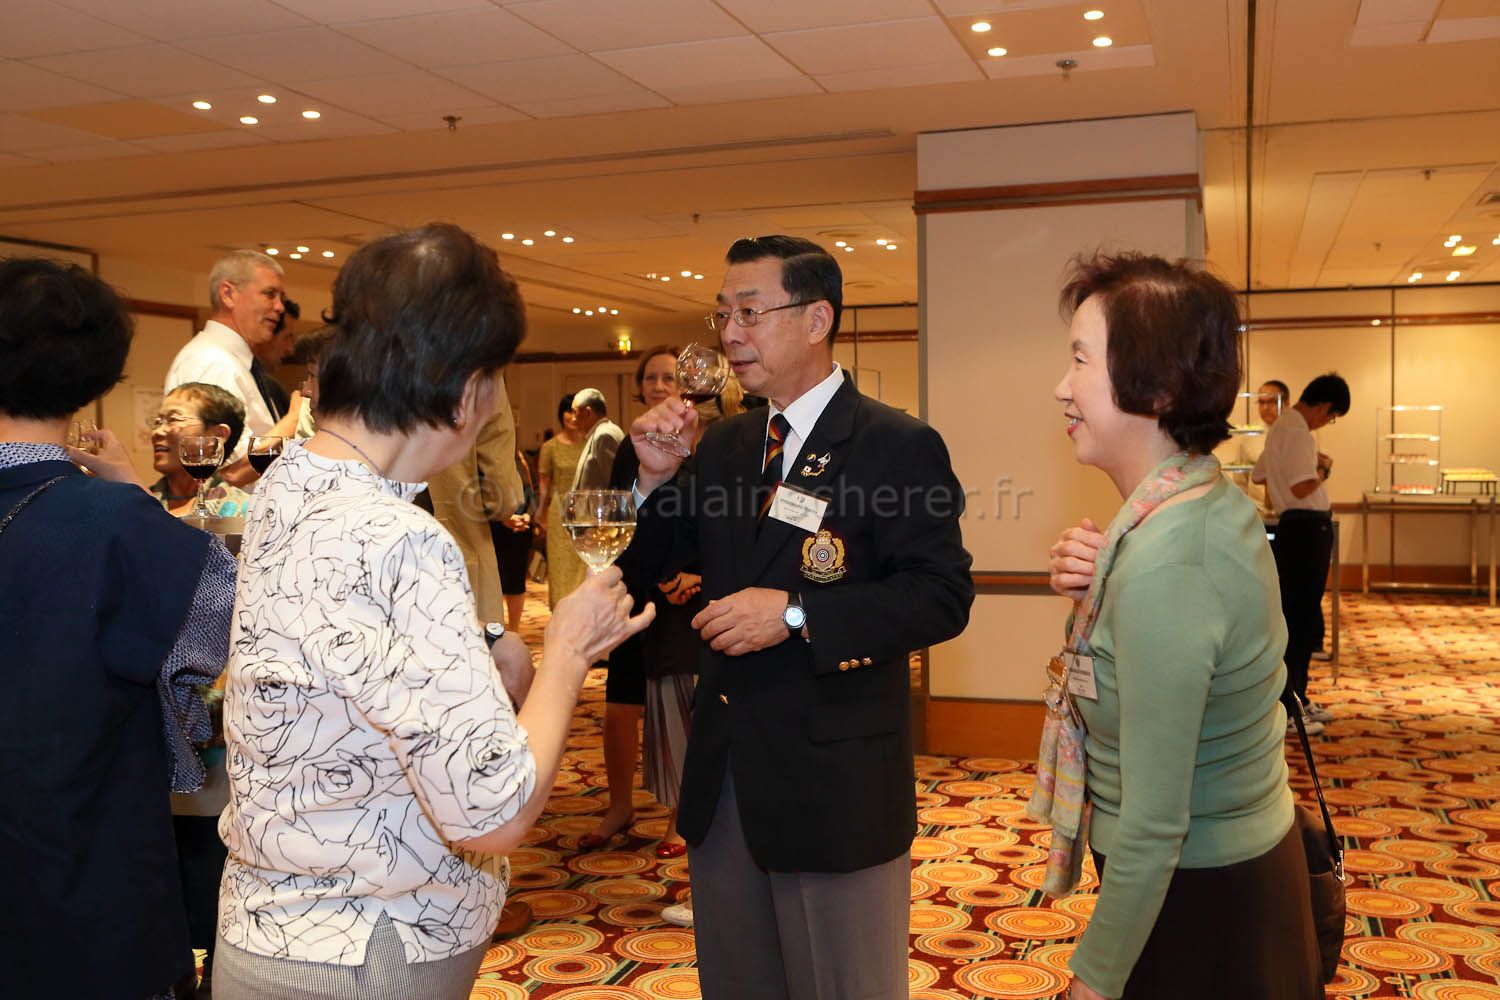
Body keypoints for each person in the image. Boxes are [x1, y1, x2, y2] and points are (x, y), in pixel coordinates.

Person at [213, 223, 653, 999]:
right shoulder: (399, 537)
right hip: (369, 946)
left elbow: (334, 637)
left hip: (272, 922)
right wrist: (567, 652)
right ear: (465, 389)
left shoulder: (290, 479)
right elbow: (493, 813)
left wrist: (478, 640)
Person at [626, 235, 973, 999]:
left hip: (833, 785)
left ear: (817, 320)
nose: (730, 333)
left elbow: (941, 596)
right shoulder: (725, 446)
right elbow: (648, 571)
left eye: (750, 312)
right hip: (725, 782)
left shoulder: (895, 445)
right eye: (722, 314)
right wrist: (652, 482)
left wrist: (793, 614)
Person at [1046, 252, 1321, 1000]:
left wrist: (1095, 979)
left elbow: (1154, 822)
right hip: (1234, 866)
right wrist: (1107, 583)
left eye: (1081, 360)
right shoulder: (1197, 502)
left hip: (1199, 898)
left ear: (1159, 387)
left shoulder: (1169, 560)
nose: (1061, 386)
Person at [0, 257, 236, 998]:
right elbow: (213, 642)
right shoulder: (120, 523)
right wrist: (135, 493)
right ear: (95, 374)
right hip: (84, 863)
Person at [584, 347, 680, 852]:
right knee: (620, 703)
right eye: (651, 378)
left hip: (684, 590)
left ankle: (679, 814)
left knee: (677, 706)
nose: (659, 385)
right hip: (635, 581)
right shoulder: (628, 445)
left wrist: (695, 572)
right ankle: (619, 805)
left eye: (669, 377)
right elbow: (618, 512)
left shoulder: (703, 441)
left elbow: (709, 518)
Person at [1253, 373, 1350, 735]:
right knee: (1300, 618)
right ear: (1323, 407)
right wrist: (1323, 469)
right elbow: (1302, 486)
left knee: (1297, 615)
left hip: (1296, 528)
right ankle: (1291, 704)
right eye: (1332, 416)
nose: (1327, 422)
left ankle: (1298, 696)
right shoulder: (1298, 432)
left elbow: (1259, 475)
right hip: (1307, 528)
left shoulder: (1281, 428)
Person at [163, 249, 286, 483]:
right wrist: (295, 419)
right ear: (228, 294)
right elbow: (231, 470)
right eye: (270, 294)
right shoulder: (212, 361)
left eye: (281, 298)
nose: (280, 307)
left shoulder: (233, 361)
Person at [148, 381, 251, 518]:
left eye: (173, 419)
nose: (157, 432)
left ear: (218, 435)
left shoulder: (243, 512)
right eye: (158, 422)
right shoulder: (138, 506)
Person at [536, 392, 587, 607]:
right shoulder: (550, 447)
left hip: (585, 512)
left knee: (583, 565)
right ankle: (560, 611)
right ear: (561, 415)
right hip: (559, 513)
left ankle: (584, 612)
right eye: (569, 411)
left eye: (577, 412)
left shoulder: (590, 444)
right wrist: (540, 513)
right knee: (559, 566)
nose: (573, 416)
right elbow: (544, 484)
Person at [569, 386, 624, 491]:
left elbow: (616, 486)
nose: (573, 419)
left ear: (587, 412)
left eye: (575, 412)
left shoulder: (603, 436)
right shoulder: (602, 432)